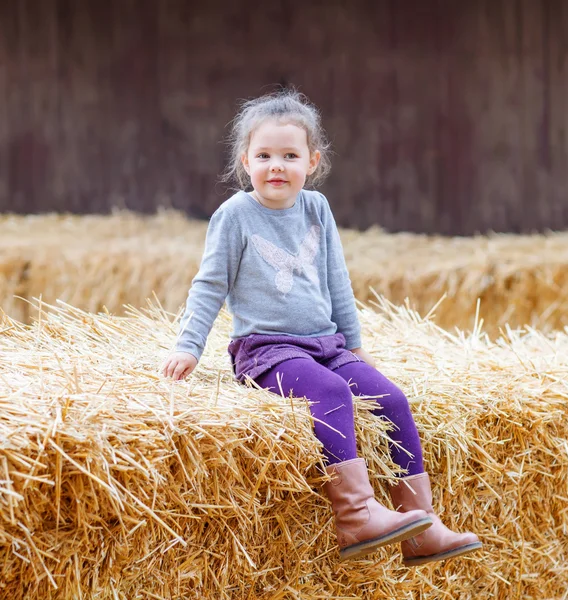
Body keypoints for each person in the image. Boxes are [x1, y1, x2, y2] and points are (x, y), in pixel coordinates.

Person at [162, 89, 481, 563]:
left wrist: (353, 347)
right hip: (268, 351)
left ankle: (421, 527)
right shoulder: (234, 217)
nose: (276, 166)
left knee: (389, 398)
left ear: (311, 161)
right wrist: (189, 347)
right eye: (264, 155)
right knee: (331, 393)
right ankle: (356, 517)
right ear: (245, 161)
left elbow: (337, 281)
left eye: (289, 156)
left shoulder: (317, 208)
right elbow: (209, 285)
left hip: (325, 345)